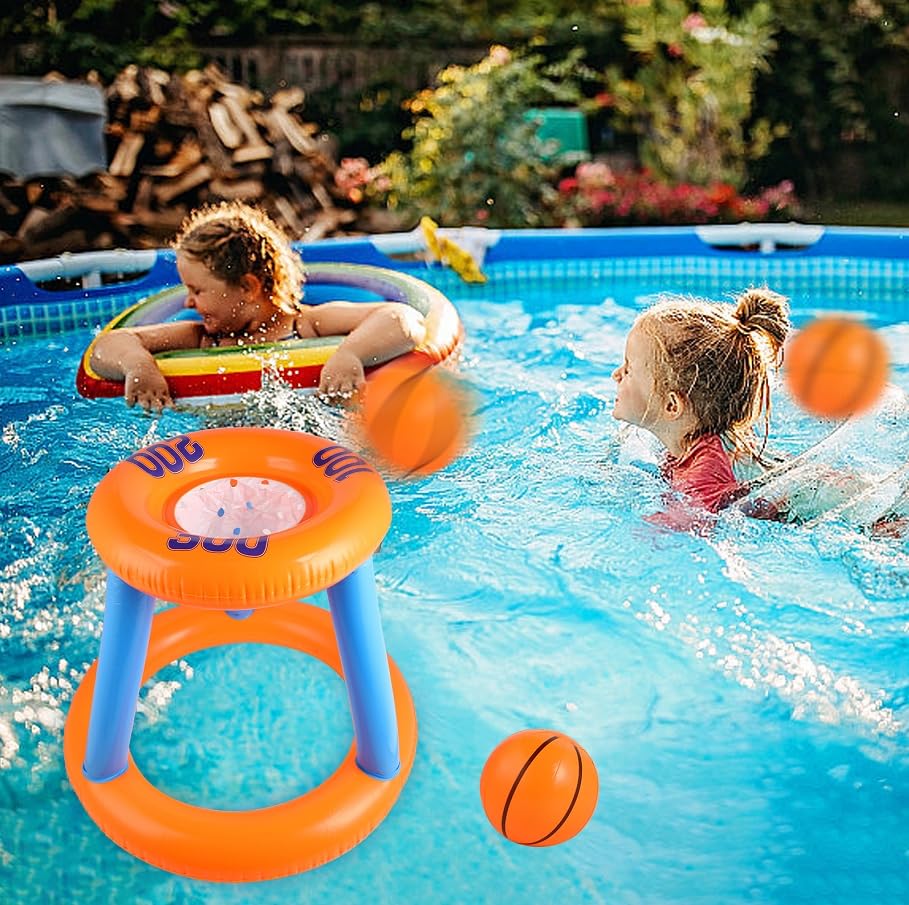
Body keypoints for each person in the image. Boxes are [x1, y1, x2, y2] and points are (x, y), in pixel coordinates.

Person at [90, 201, 427, 411]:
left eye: (198, 290)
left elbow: (403, 318)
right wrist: (138, 364)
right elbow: (106, 346)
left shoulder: (307, 326)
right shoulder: (202, 339)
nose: (188, 302)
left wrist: (350, 354)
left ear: (249, 287)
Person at [611, 287, 790, 530]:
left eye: (628, 369)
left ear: (672, 405)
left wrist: (652, 529)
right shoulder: (689, 440)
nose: (616, 375)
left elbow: (695, 524)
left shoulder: (707, 468)